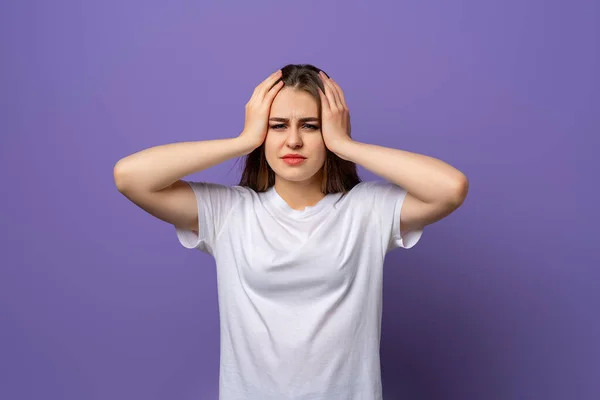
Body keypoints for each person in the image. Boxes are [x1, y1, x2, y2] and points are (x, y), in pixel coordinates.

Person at [113, 64, 469, 400]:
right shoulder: (229, 212)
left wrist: (346, 145)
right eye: (278, 125)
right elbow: (130, 177)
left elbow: (450, 188)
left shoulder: (366, 210)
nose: (294, 141)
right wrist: (243, 140)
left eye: (310, 126)